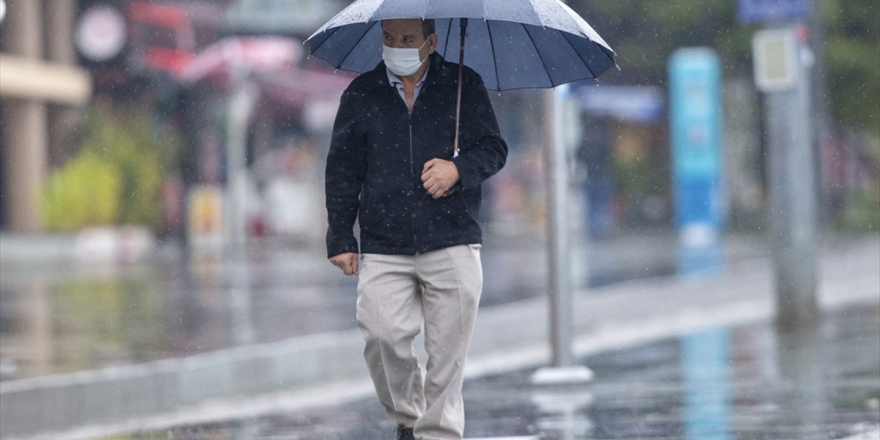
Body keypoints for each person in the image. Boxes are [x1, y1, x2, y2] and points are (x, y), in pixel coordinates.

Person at [324, 18, 508, 440]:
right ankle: (409, 419)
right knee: (382, 337)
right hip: (384, 242)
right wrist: (340, 235)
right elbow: (342, 171)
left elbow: (495, 149)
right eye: (388, 39)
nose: (396, 47)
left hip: (453, 238)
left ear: (431, 42)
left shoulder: (463, 85)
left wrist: (458, 170)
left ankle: (438, 434)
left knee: (448, 356)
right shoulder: (361, 94)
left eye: (407, 40)